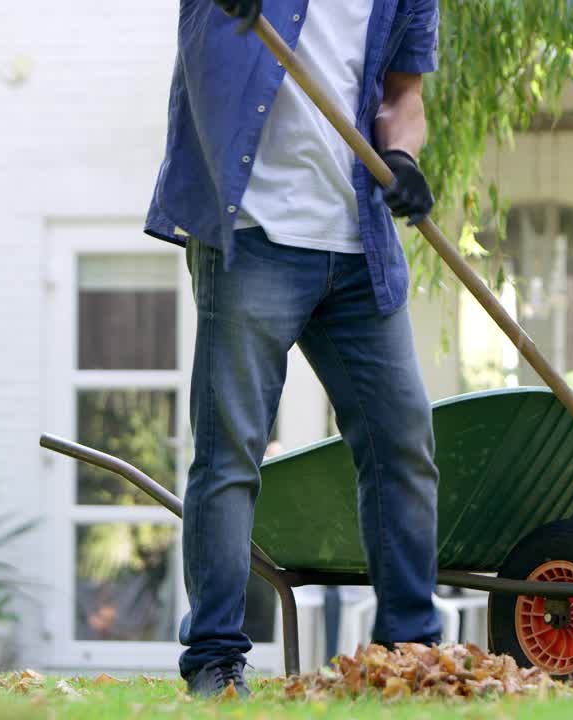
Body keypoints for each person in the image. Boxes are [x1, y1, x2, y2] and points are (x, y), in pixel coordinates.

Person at [145, 0, 443, 698]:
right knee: (230, 456)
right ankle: (215, 661)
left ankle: (411, 654)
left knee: (403, 443)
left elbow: (404, 96)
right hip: (252, 236)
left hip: (358, 243)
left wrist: (400, 156)